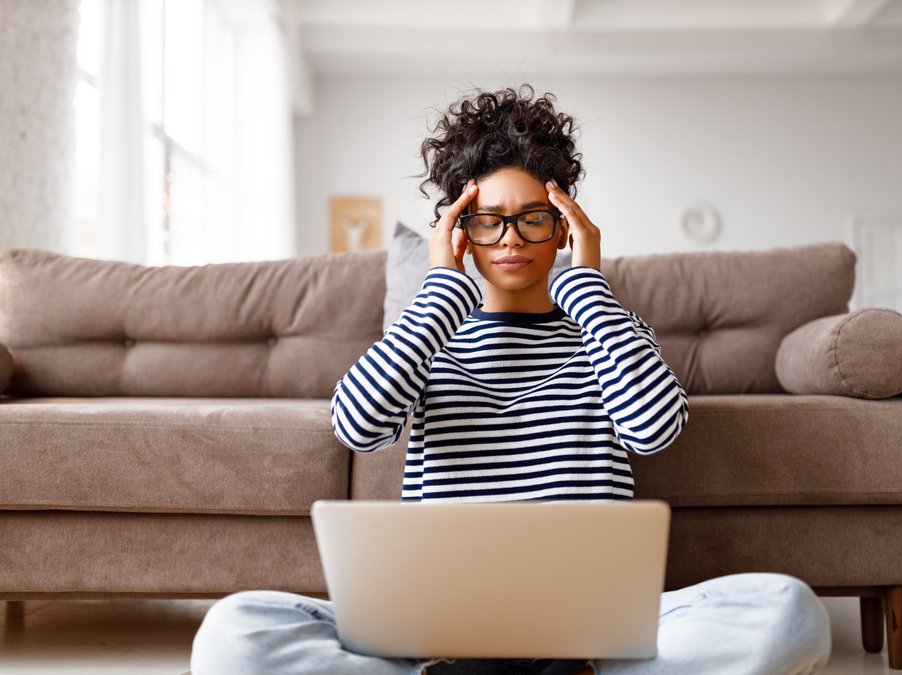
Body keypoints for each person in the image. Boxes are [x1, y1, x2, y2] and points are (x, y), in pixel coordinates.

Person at [190, 84, 831, 675]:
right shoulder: (426, 334)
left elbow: (655, 430)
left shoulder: (609, 327)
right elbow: (355, 427)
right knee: (232, 633)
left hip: (590, 632)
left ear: (563, 226)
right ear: (459, 232)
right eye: (488, 219)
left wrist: (585, 286)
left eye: (532, 217)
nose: (511, 238)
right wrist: (441, 292)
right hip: (442, 627)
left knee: (789, 612)